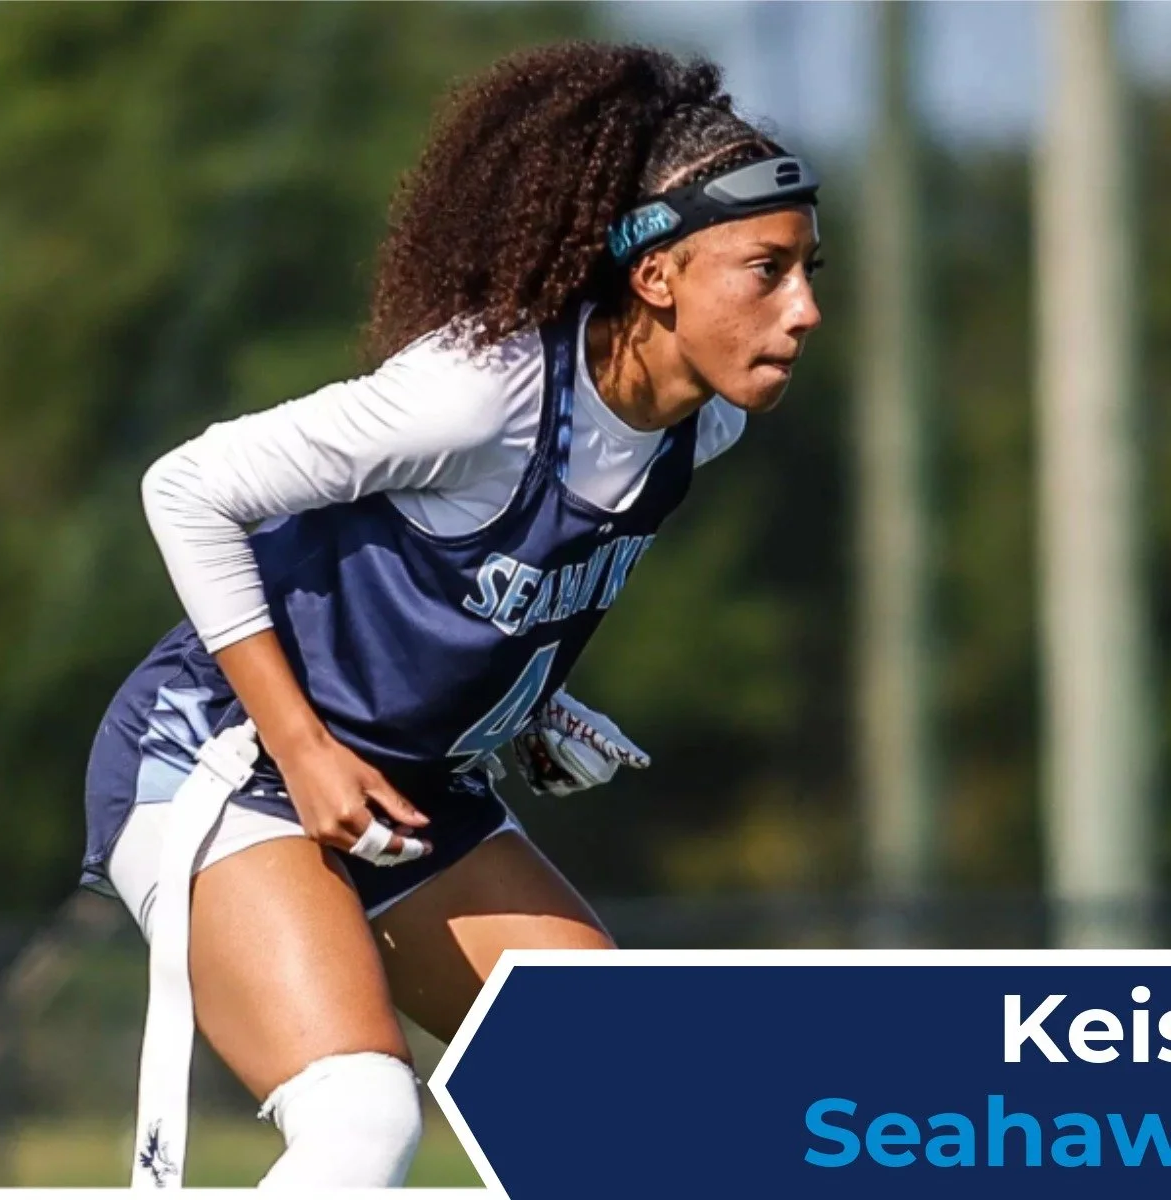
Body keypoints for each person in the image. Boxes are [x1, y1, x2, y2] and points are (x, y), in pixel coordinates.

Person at [81, 41, 823, 1189]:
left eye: (811, 270)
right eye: (766, 270)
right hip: (221, 759)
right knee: (362, 1125)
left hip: (417, 792)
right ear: (659, 276)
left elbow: (462, 588)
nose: (806, 308)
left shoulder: (700, 427)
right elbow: (186, 488)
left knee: (634, 1089)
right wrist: (305, 748)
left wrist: (521, 699)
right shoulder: (480, 394)